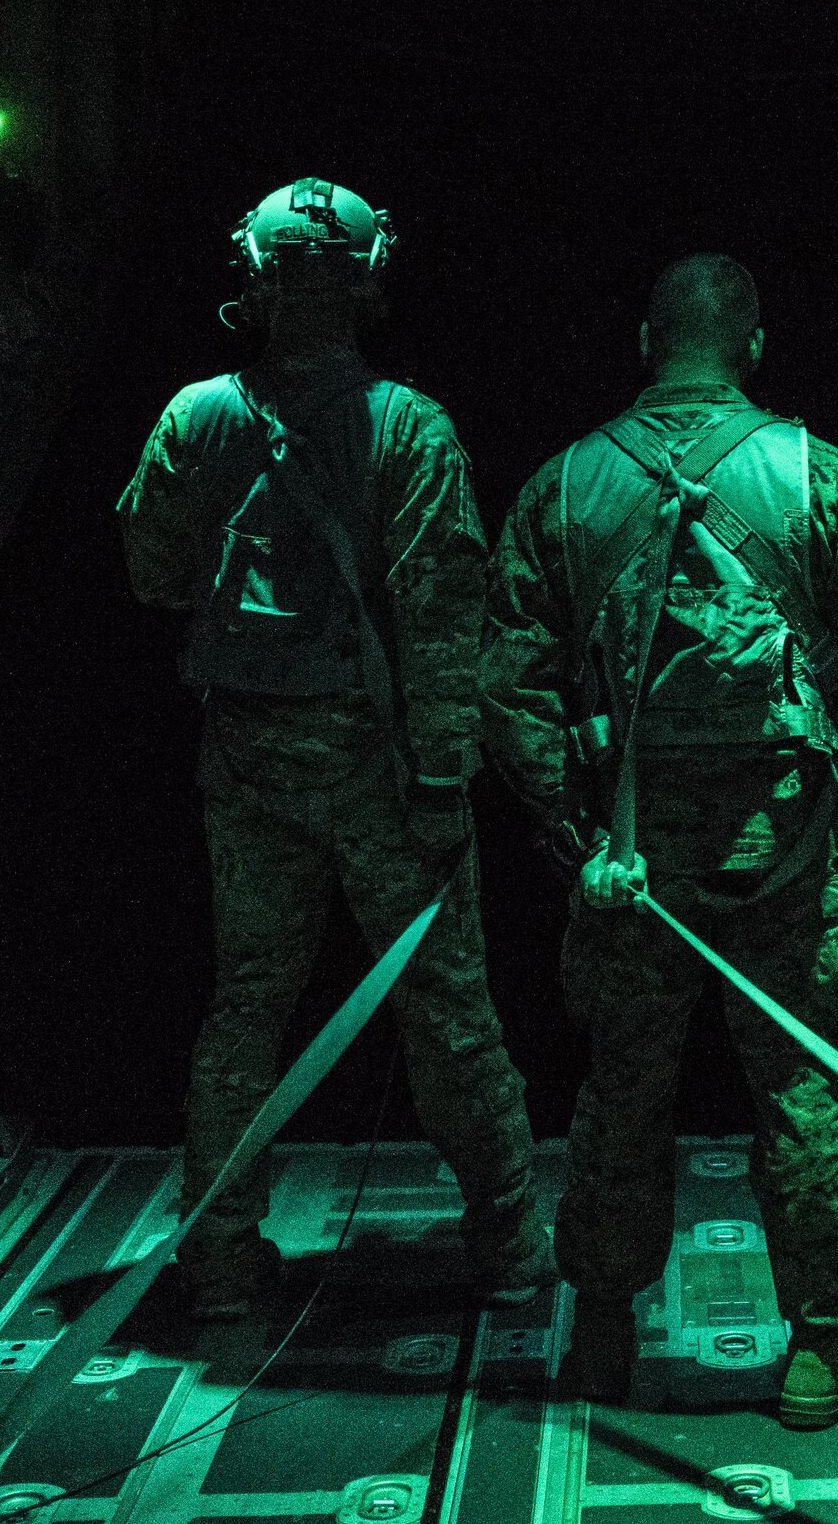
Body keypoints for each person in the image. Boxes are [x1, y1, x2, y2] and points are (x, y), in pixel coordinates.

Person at [482, 255, 838, 1427]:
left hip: (629, 864)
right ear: (754, 345)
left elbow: (508, 693)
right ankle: (820, 1349)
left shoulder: (566, 484)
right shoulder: (815, 477)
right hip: (782, 850)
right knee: (796, 1089)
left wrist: (575, 833)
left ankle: (599, 1336)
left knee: (622, 1087)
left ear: (646, 343)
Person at [118, 179, 543, 1320]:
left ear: (251, 275)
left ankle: (215, 1267)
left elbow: (153, 576)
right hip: (385, 771)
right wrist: (447, 776)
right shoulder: (408, 426)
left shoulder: (194, 416)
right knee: (448, 1009)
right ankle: (509, 1248)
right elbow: (444, 618)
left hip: (247, 762)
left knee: (246, 1005)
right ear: (366, 279)